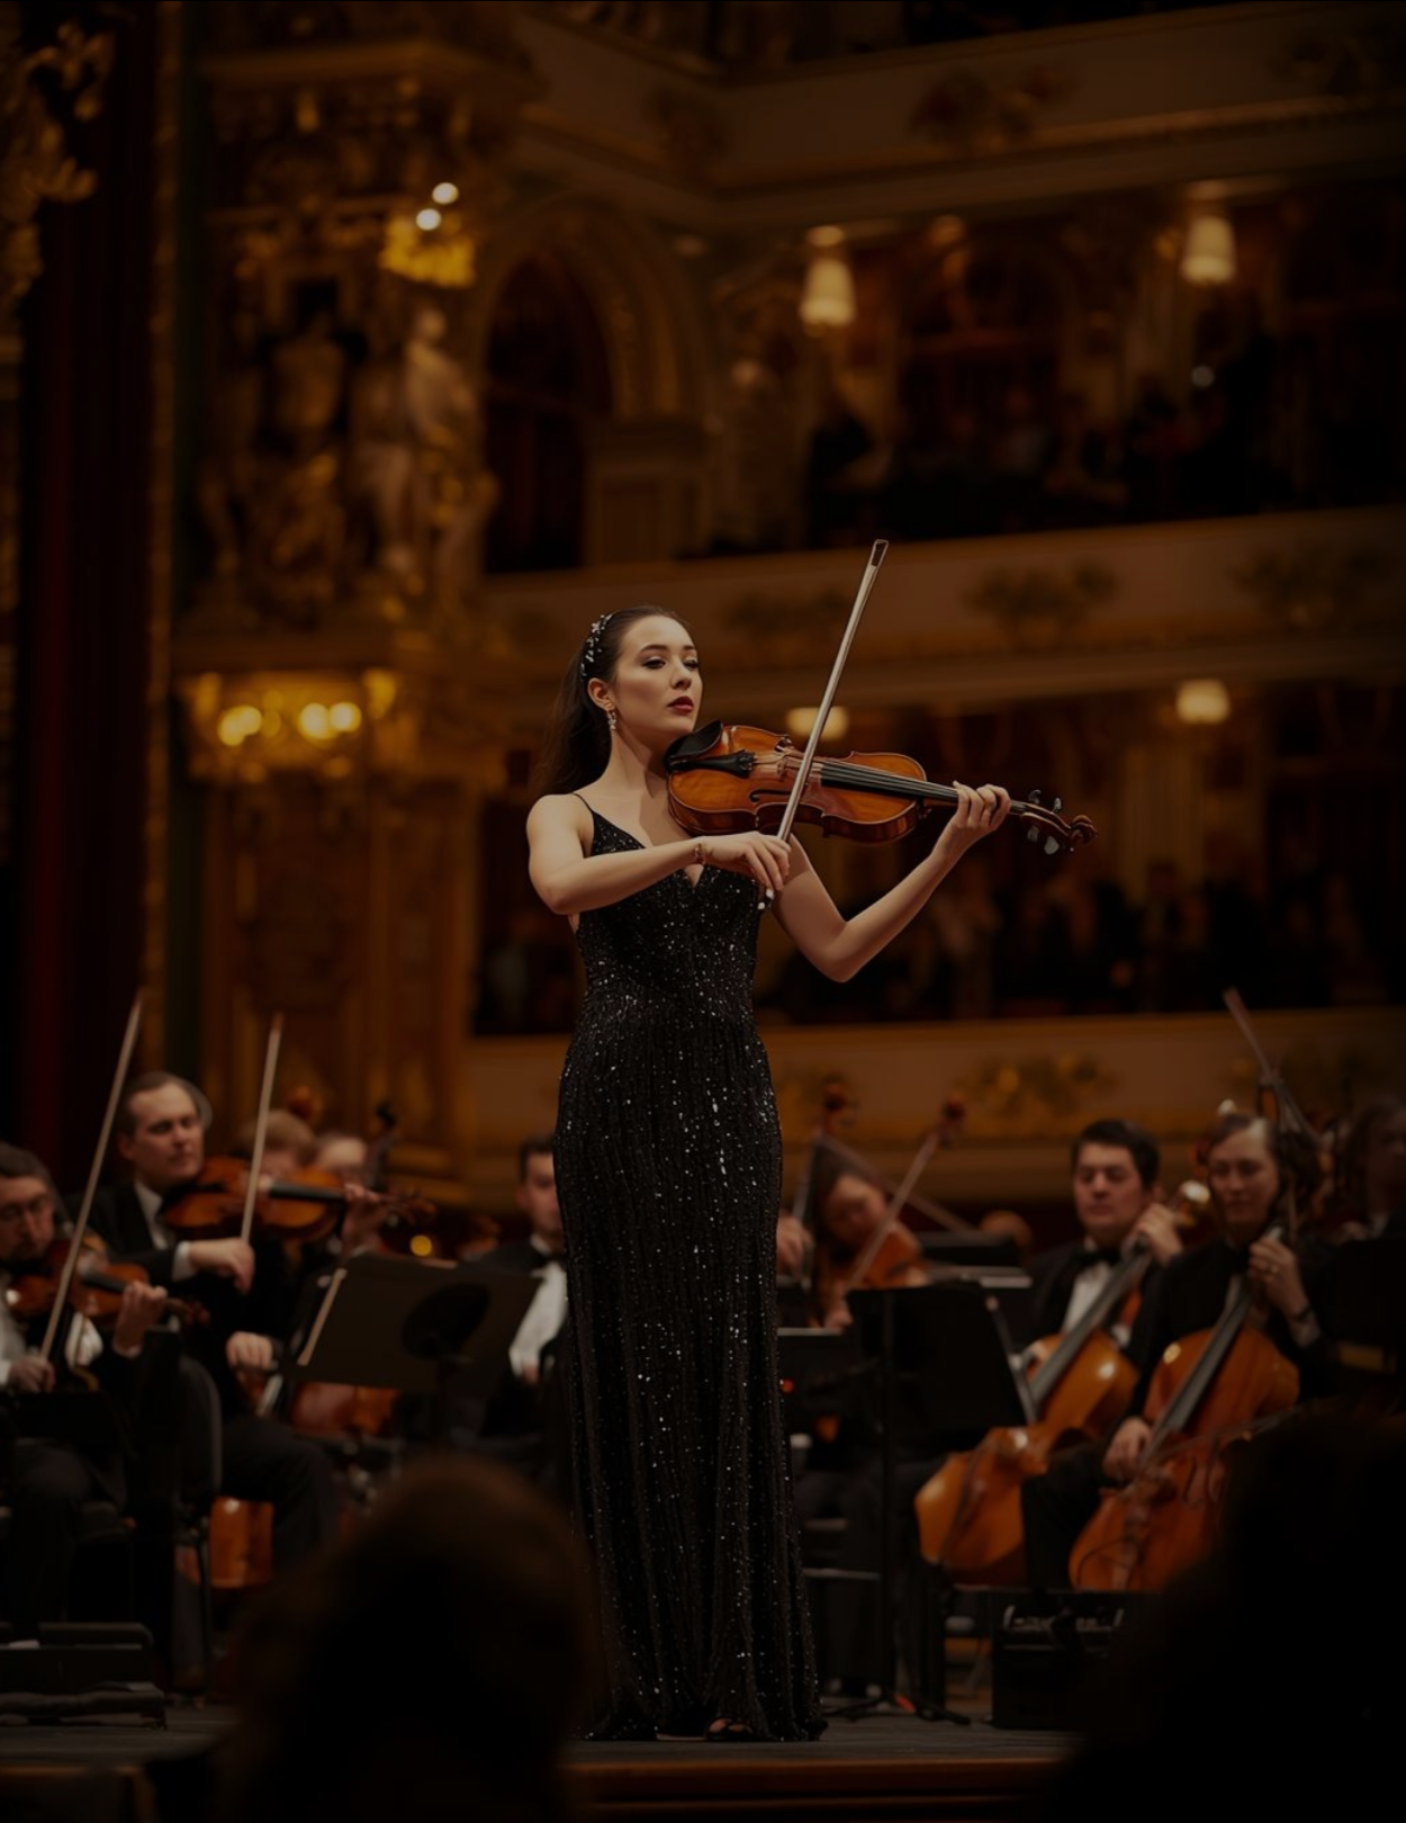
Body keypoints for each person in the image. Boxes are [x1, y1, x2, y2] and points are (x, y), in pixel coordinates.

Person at [525, 604, 1010, 1741]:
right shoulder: (570, 811)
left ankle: (736, 1666)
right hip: (617, 1105)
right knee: (631, 1370)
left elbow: (837, 952)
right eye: (655, 659)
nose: (683, 675)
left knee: (726, 1364)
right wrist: (697, 848)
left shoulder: (762, 799)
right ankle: (638, 1667)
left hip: (729, 1108)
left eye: (693, 658)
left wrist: (944, 848)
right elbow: (561, 889)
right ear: (602, 691)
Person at [1022, 1112, 1326, 1589]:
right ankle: (1058, 1645)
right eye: (1220, 1171)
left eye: (1248, 1170)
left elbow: (1335, 1385)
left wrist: (1299, 1310)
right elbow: (1150, 1374)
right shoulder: (1186, 1273)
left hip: (1272, 1453)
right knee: (1049, 1489)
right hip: (1180, 1443)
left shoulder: (1315, 1266)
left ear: (1284, 1178)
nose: (1232, 1185)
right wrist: (1135, 1422)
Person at [88, 1073, 338, 1575]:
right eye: (162, 1128)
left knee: (304, 1464)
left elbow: (281, 1323)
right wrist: (187, 1255)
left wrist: (262, 1343)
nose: (182, 1136)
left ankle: (302, 1629)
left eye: (188, 1123)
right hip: (123, 1424)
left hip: (212, 1423)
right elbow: (97, 1275)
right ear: (127, 1146)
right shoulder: (97, 1210)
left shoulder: (243, 1218)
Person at [0, 1144, 168, 1633]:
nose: (31, 1227)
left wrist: (127, 1341)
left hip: (62, 1447)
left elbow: (111, 1396)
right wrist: (8, 1372)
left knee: (50, 1488)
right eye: (11, 1214)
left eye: (38, 1208)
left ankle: (24, 1642)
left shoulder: (83, 1275)